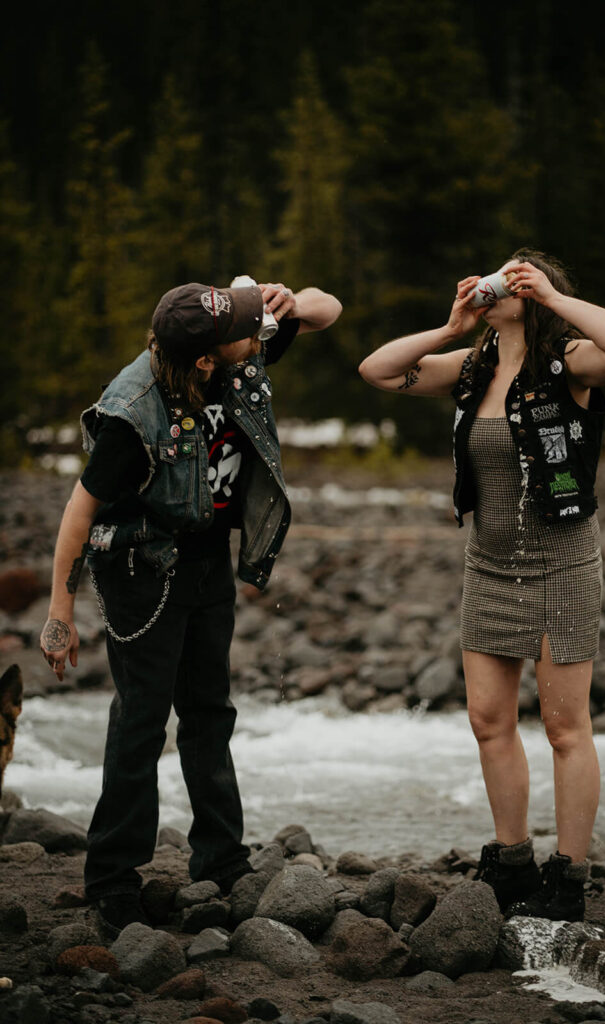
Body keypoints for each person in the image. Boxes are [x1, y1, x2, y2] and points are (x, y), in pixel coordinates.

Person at [40, 277, 342, 936]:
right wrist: (60, 611)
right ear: (206, 357)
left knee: (210, 710)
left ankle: (221, 858)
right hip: (139, 571)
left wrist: (283, 301)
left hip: (207, 562)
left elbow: (328, 308)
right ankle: (112, 878)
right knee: (142, 722)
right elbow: (78, 512)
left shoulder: (231, 349)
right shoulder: (132, 411)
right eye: (244, 325)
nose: (253, 329)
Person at [359, 250, 605, 921]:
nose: (500, 281)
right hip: (486, 566)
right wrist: (453, 326)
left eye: (516, 275)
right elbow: (377, 369)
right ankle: (511, 860)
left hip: (561, 560)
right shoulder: (471, 368)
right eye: (499, 273)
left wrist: (547, 293)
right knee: (488, 721)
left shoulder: (568, 359)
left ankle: (568, 876)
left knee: (563, 726)